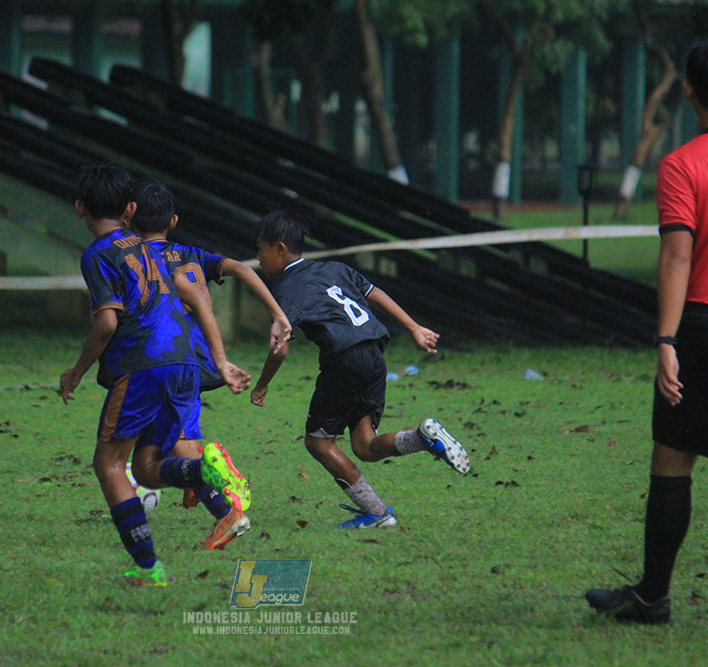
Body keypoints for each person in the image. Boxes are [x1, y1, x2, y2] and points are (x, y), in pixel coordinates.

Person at [586, 36, 708, 624]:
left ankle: (652, 598)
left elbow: (676, 257)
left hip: (706, 330)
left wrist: (665, 341)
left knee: (672, 461)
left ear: (688, 91)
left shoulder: (682, 165)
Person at [59, 162, 252, 587]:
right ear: (129, 209)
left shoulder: (98, 254)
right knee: (147, 468)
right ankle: (211, 486)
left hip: (142, 366)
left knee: (110, 464)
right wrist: (219, 360)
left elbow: (107, 323)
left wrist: (76, 371)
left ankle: (148, 567)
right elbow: (196, 295)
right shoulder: (154, 249)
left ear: (79, 207)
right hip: (184, 365)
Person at [248, 210, 471, 529]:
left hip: (344, 361)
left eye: (260, 249)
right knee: (365, 445)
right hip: (374, 356)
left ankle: (377, 513)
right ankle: (422, 439)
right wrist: (413, 327)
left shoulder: (286, 289)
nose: (258, 258)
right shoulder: (335, 268)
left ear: (280, 249)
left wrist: (262, 384)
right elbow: (374, 292)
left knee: (318, 443)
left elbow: (280, 347)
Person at [127, 176, 291, 549]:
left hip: (158, 358)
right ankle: (202, 485)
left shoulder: (132, 260)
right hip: (197, 359)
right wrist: (277, 313)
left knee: (156, 453)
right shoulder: (191, 254)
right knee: (177, 438)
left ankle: (214, 493)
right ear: (173, 221)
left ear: (128, 217)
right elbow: (243, 269)